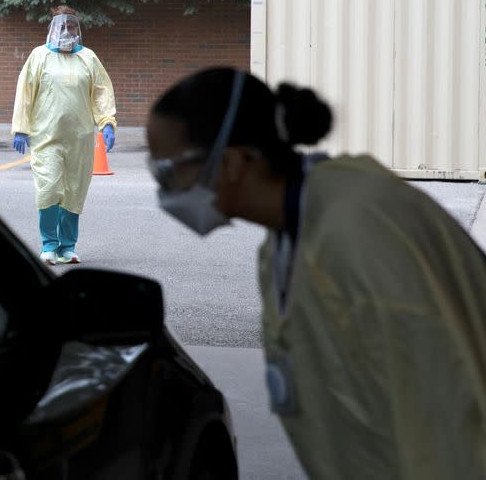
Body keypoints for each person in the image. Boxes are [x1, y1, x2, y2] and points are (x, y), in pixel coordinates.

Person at [146, 67, 486, 479]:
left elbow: (445, 409)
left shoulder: (361, 227)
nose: (163, 190)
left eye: (166, 171)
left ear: (233, 161)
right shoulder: (281, 246)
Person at [11, 5, 117, 265]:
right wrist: (21, 128)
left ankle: (67, 247)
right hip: (46, 137)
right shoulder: (39, 56)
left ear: (77, 29)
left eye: (71, 26)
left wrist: (107, 123)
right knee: (48, 189)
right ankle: (49, 245)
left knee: (74, 191)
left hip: (79, 138)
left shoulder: (88, 58)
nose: (66, 30)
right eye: (62, 26)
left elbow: (101, 91)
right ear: (52, 27)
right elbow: (25, 92)